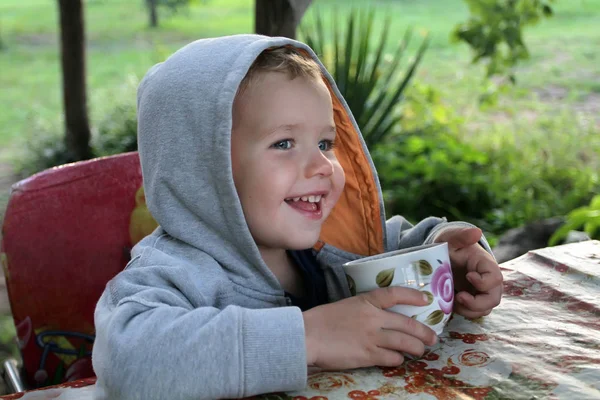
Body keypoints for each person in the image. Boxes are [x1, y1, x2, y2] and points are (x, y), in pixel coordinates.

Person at [91, 34, 503, 400]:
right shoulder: (177, 273)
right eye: (284, 142)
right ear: (203, 169)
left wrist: (450, 259)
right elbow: (128, 363)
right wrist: (310, 337)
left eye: (325, 142)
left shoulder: (330, 251)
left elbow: (397, 247)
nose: (322, 165)